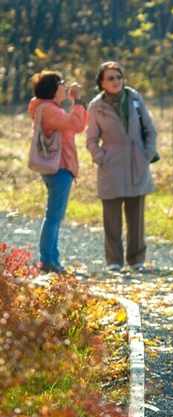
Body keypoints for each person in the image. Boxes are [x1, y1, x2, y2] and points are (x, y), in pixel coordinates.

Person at [85, 61, 157, 273]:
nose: (116, 81)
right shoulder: (96, 106)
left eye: (119, 77)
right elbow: (91, 140)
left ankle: (136, 260)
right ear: (101, 82)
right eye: (110, 78)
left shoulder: (134, 98)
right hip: (111, 166)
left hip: (137, 163)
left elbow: (150, 130)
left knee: (136, 217)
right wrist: (101, 157)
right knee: (111, 218)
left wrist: (146, 154)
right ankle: (114, 261)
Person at [28, 71, 88, 274]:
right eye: (62, 83)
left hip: (55, 167)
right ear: (54, 88)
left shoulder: (45, 107)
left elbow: (73, 123)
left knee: (54, 215)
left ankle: (51, 259)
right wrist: (77, 101)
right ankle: (48, 261)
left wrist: (73, 102)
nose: (65, 85)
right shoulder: (50, 110)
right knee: (54, 216)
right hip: (60, 167)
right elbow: (76, 124)